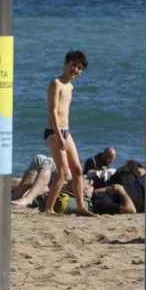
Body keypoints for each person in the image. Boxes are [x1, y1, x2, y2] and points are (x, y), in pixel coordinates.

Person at [42, 50, 95, 216]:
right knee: (63, 172)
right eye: (74, 65)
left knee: (78, 170)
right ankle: (48, 209)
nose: (76, 70)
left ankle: (81, 207)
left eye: (79, 68)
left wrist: (64, 134)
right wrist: (58, 136)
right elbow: (53, 112)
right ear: (66, 64)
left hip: (66, 131)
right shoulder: (56, 83)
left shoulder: (70, 86)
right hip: (53, 131)